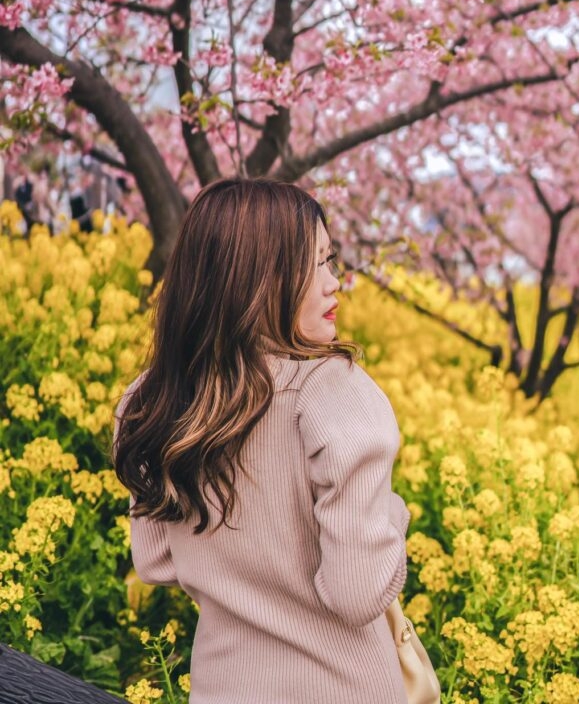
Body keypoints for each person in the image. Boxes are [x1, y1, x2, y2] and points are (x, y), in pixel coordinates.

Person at [113, 179, 411, 704]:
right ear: (259, 277)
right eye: (316, 264)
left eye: (331, 260)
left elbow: (157, 561)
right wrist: (393, 513)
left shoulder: (150, 400)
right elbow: (359, 591)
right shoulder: (333, 393)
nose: (334, 282)